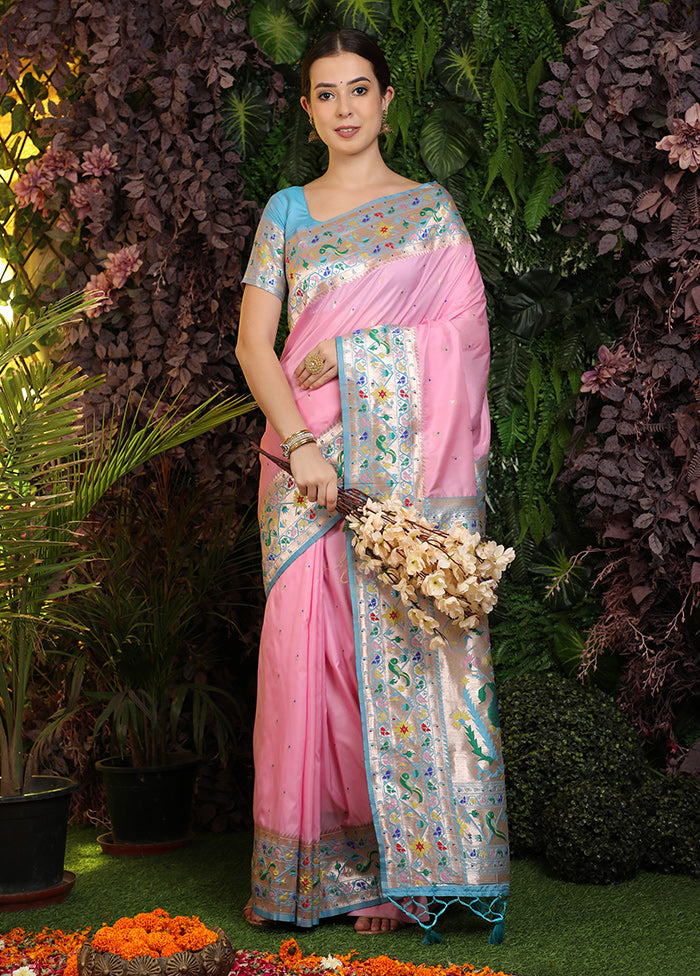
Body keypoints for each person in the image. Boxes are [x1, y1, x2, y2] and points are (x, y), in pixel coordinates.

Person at [235, 28, 509, 940]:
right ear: (308, 111)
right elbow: (254, 346)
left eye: (361, 88)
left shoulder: (431, 214)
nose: (346, 107)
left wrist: (351, 358)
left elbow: (464, 345)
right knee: (307, 659)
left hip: (404, 482)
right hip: (306, 469)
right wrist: (305, 445)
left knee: (394, 644)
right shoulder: (286, 213)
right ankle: (319, 875)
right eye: (327, 93)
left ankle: (407, 871)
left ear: (388, 99)